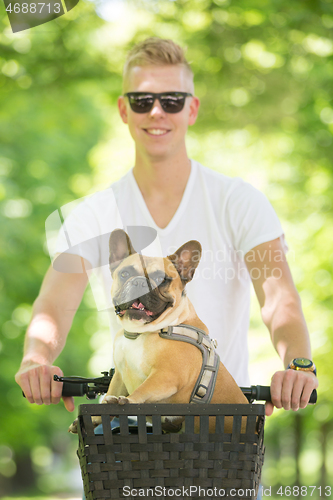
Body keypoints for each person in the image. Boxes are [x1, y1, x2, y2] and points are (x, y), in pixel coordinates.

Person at [15, 37, 318, 419]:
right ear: (124, 110)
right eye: (142, 101)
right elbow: (55, 305)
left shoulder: (238, 201)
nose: (157, 111)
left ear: (191, 110)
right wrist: (35, 359)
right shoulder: (93, 214)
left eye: (171, 100)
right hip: (129, 431)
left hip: (220, 427)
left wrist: (298, 366)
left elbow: (279, 301)